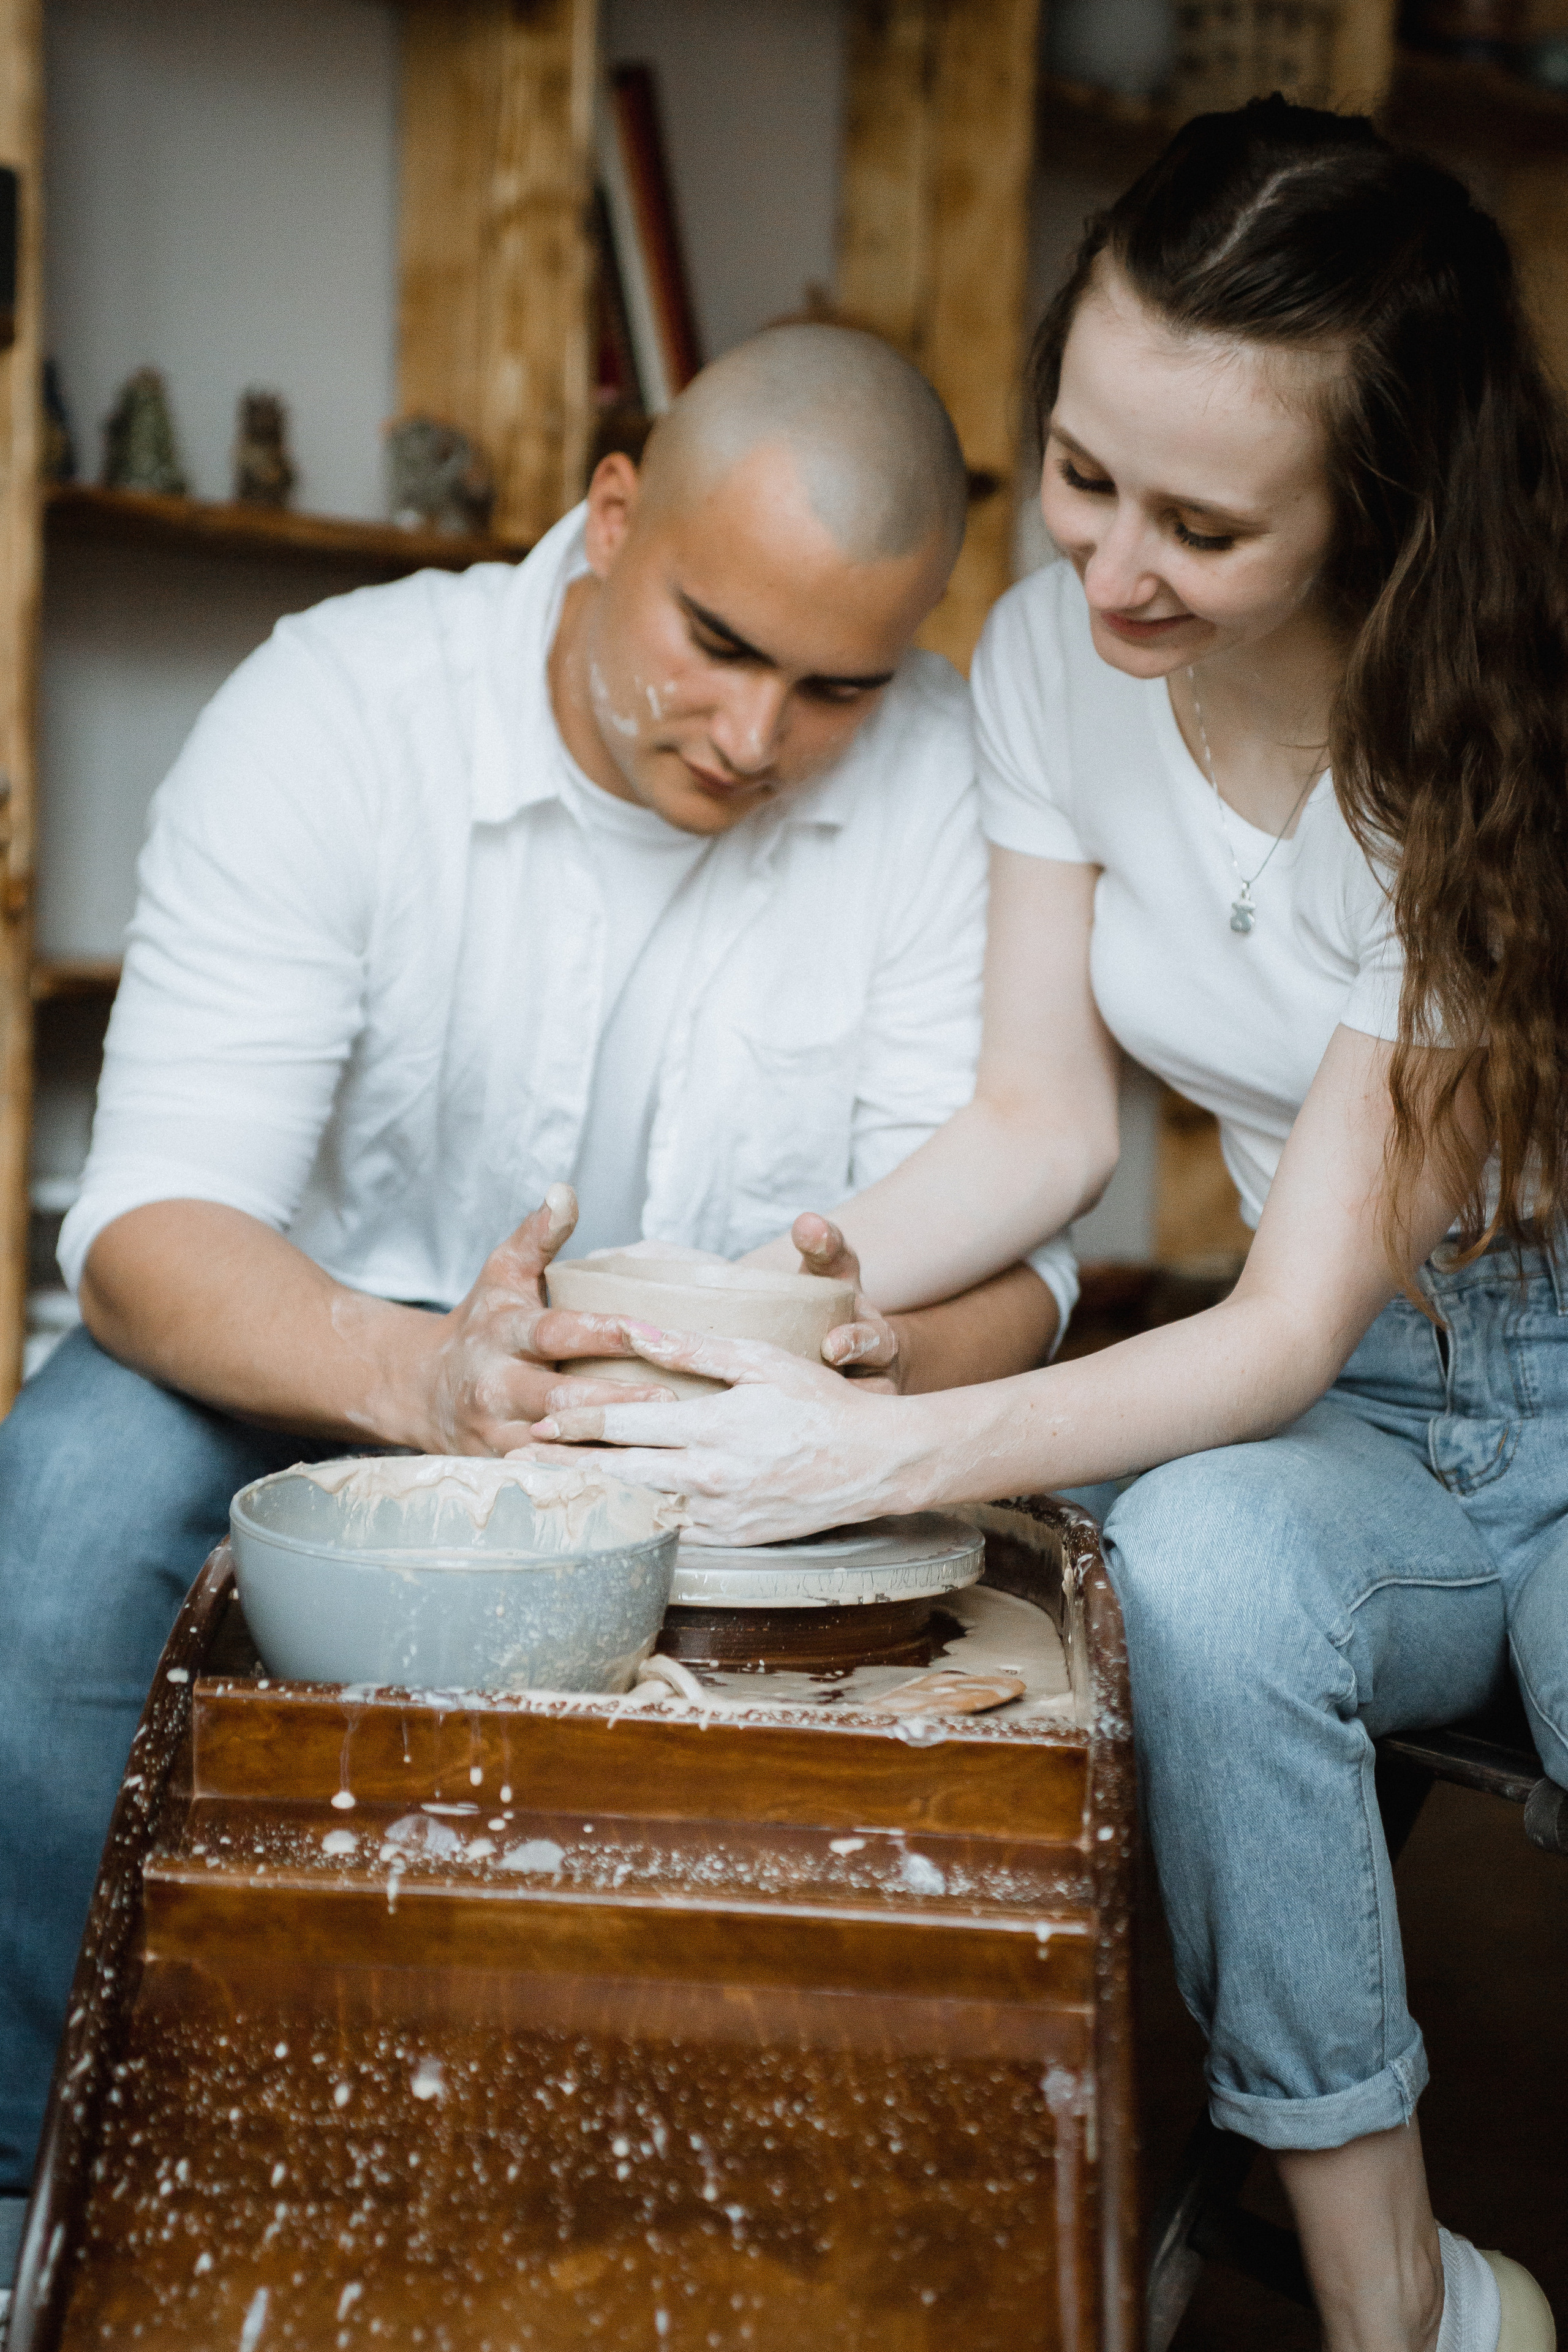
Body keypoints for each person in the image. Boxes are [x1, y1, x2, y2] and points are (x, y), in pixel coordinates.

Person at [530, 107, 1566, 2352]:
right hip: (1386, 1393)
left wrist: (873, 1454)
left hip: (1481, 1361)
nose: (1112, 571)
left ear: (1379, 509)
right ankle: (1405, 2307)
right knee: (1177, 1565)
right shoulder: (1044, 667)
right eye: (1083, 475)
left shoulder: (1482, 741)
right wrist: (780, 1305)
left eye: (1206, 524)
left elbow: (1275, 1323)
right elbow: (1036, 1125)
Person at [0, 323, 1078, 2197]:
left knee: (1072, 1608)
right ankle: (35, 2184)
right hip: (329, 1372)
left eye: (833, 687)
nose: (753, 740)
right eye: (718, 645)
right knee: (67, 1505)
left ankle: (762, 2206)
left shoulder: (943, 777)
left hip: (762, 1443)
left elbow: (1027, 1272)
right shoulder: (337, 709)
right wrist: (423, 1374)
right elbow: (147, 1233)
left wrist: (854, 1378)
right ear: (610, 517)